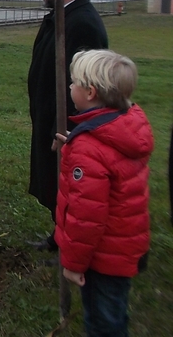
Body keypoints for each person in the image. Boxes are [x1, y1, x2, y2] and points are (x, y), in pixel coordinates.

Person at [52, 49, 153, 337]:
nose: (69, 87)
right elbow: (112, 165)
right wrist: (77, 143)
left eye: (73, 83)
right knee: (114, 313)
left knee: (101, 322)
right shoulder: (124, 128)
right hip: (125, 248)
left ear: (90, 92)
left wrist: (72, 265)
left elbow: (86, 218)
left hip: (102, 259)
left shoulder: (90, 150)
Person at [28, 0, 108, 251]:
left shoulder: (82, 23)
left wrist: (63, 128)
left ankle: (70, 245)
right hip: (50, 115)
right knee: (55, 181)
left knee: (70, 185)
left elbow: (85, 84)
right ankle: (59, 236)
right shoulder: (60, 17)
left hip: (65, 124)